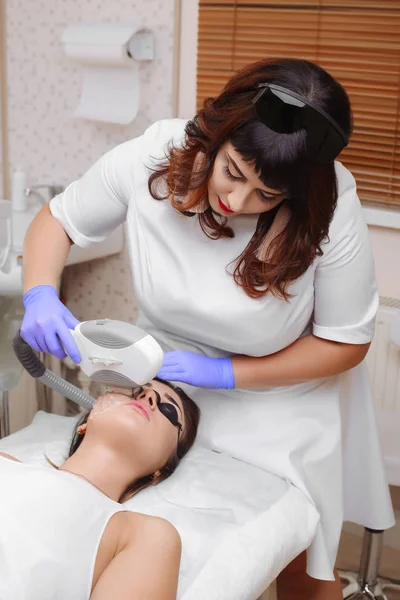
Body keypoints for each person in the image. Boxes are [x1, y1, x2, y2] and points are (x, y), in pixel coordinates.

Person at [20, 57, 394, 600]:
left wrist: (225, 373)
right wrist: (39, 293)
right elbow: (58, 220)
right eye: (234, 173)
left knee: (302, 564)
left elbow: (345, 343)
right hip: (165, 373)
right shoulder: (156, 153)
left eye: (267, 196)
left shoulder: (329, 204)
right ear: (218, 135)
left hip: (278, 392)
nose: (237, 202)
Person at [0, 379, 200, 600]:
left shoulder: (144, 536)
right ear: (85, 423)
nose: (148, 397)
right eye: (133, 390)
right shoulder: (5, 462)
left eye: (168, 410)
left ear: (162, 469)